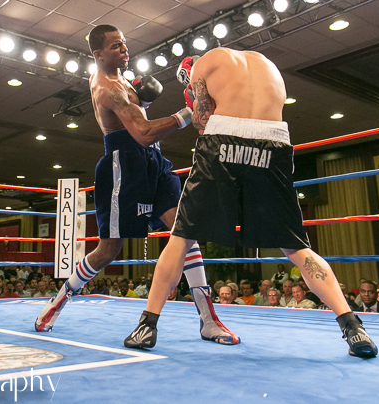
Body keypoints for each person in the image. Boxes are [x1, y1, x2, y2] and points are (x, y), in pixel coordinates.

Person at [123, 48, 377, 358]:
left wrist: (193, 94)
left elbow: (202, 124)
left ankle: (147, 325)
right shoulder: (267, 64)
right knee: (297, 247)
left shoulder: (204, 64)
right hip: (274, 144)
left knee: (181, 237)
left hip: (223, 141)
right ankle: (353, 327)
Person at [36, 25, 237, 347]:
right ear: (97, 54)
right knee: (108, 250)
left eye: (125, 44)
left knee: (185, 231)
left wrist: (143, 95)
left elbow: (142, 125)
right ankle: (56, 302)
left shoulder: (121, 77)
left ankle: (209, 320)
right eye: (116, 47)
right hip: (123, 166)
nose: (125, 51)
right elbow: (142, 132)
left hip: (154, 163)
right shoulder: (107, 88)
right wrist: (189, 112)